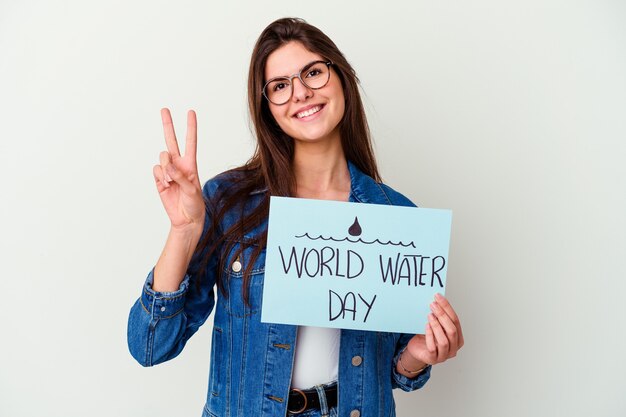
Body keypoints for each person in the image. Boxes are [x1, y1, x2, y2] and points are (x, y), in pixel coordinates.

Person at [127, 17, 464, 417]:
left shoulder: (397, 218)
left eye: (314, 72)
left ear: (341, 78)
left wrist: (419, 355)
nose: (301, 93)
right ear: (267, 107)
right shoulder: (227, 201)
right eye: (281, 85)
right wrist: (184, 231)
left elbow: (394, 369)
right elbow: (150, 346)